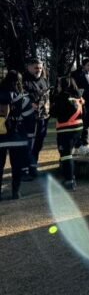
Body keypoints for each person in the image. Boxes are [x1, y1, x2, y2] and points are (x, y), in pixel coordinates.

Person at [0, 71, 35, 200]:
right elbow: (30, 120)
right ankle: (16, 192)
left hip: (1, 137)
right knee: (17, 167)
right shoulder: (24, 100)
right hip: (18, 139)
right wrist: (30, 136)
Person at [51, 76, 84, 191]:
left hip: (66, 130)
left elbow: (53, 113)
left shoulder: (62, 98)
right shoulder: (78, 97)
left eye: (59, 85)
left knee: (66, 155)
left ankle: (69, 181)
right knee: (69, 154)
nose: (58, 87)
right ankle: (70, 178)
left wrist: (54, 99)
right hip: (78, 128)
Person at [22, 58, 51, 179]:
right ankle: (24, 171)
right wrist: (30, 104)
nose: (38, 70)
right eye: (35, 67)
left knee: (39, 143)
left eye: (40, 67)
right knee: (28, 144)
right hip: (29, 118)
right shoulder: (23, 81)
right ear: (28, 67)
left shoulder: (44, 80)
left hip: (43, 117)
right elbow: (19, 98)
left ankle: (33, 168)